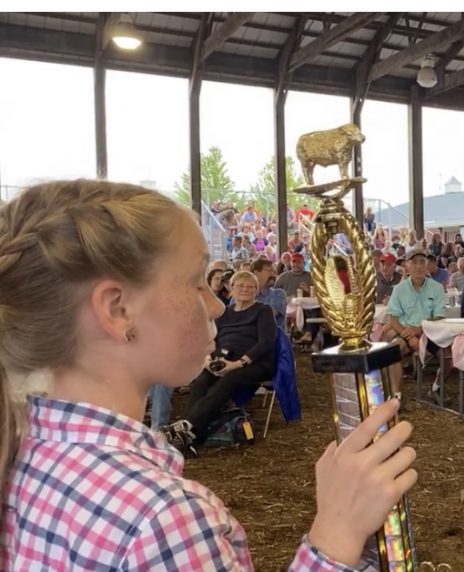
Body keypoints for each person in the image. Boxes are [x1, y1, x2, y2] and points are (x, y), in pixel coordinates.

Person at [0, 180, 416, 570]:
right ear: (118, 309)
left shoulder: (21, 452)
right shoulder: (162, 520)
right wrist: (337, 532)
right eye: (197, 282)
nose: (214, 306)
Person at [163, 271, 277, 454]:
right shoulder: (224, 313)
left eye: (250, 287)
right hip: (223, 360)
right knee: (202, 379)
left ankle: (186, 428)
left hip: (254, 363)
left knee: (229, 380)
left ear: (256, 290)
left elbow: (266, 342)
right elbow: (212, 339)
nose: (245, 290)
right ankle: (189, 436)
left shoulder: (263, 311)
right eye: (240, 286)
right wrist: (209, 359)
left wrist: (239, 363)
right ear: (231, 289)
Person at [386, 249, 447, 391]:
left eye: (422, 262)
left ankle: (437, 388)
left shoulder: (437, 288)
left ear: (427, 265)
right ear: (407, 265)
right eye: (414, 262)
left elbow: (439, 316)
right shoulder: (399, 289)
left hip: (431, 333)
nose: (418, 266)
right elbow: (393, 319)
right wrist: (409, 335)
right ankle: (396, 395)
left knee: (449, 356)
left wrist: (419, 330)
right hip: (404, 332)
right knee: (394, 349)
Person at [252, 258, 287, 330]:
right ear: (256, 273)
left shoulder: (278, 294)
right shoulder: (240, 295)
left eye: (274, 271)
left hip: (271, 337)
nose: (274, 275)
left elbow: (267, 316)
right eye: (270, 271)